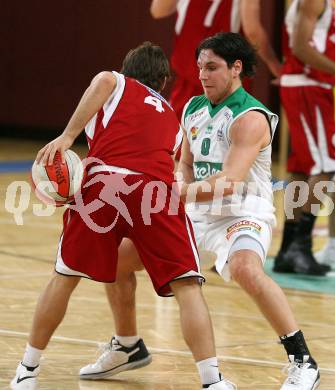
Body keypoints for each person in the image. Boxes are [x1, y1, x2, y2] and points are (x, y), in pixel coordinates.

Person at [80, 33, 321, 390]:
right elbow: (187, 165)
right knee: (114, 263)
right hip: (197, 214)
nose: (203, 75)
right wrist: (176, 185)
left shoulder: (251, 117)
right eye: (199, 68)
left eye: (212, 67)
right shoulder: (192, 108)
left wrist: (174, 193)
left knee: (246, 269)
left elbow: (230, 182)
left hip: (242, 212)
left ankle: (303, 361)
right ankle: (128, 345)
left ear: (236, 68)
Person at [10, 42, 236, 390]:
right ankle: (212, 380)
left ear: (126, 70)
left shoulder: (115, 82)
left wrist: (68, 136)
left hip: (104, 185)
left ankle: (27, 369)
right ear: (162, 81)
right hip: (158, 192)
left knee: (64, 278)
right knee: (187, 286)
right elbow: (161, 164)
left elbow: (102, 80)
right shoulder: (173, 118)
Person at [273, 0, 335, 275]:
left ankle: (287, 248)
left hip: (310, 86)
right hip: (308, 85)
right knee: (326, 165)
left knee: (300, 169)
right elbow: (300, 46)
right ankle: (301, 246)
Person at [150, 0, 282, 120]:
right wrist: (274, 65)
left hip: (190, 84)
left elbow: (157, 10)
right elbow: (252, 30)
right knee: (231, 141)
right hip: (227, 86)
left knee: (180, 142)